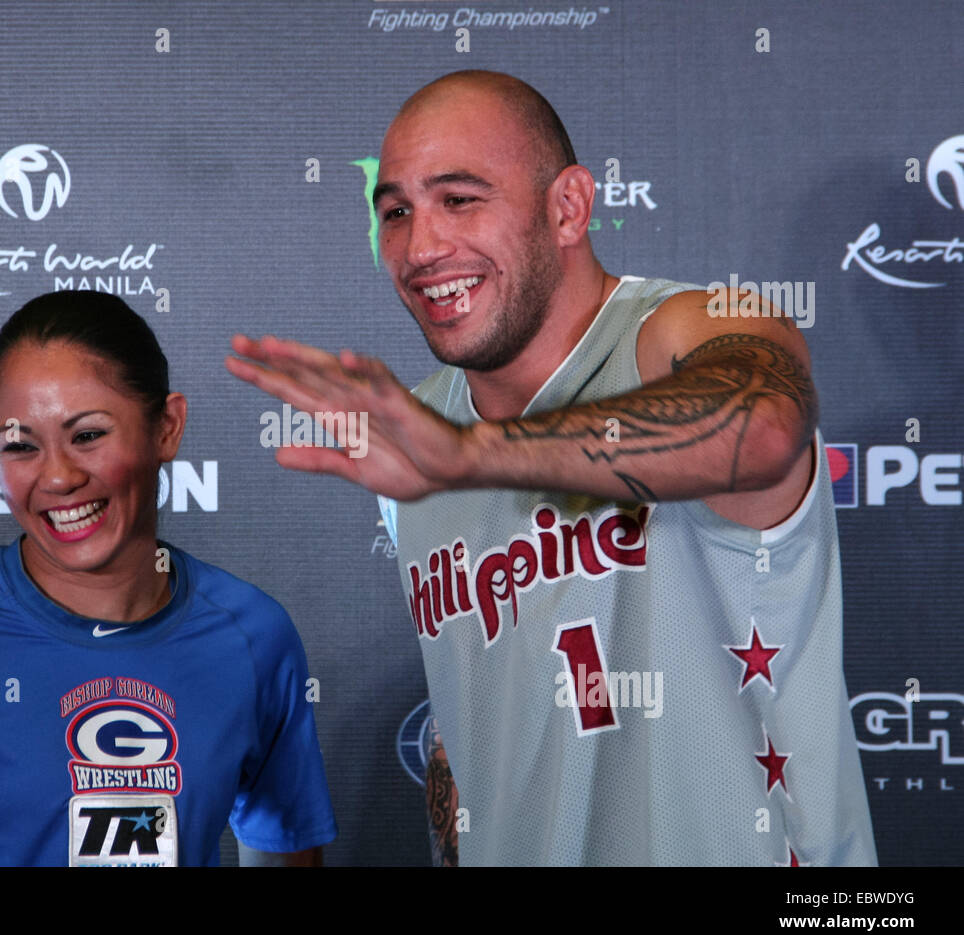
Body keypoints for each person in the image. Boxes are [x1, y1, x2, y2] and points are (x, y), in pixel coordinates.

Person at [227, 70, 876, 866]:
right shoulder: (417, 431)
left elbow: (767, 425)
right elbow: (480, 731)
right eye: (395, 211)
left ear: (568, 207)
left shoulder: (678, 332)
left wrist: (473, 457)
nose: (421, 247)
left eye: (459, 199)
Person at [0, 291, 337, 866]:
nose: (57, 476)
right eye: (21, 446)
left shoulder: (254, 634)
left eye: (88, 435)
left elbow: (285, 850)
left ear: (167, 428)